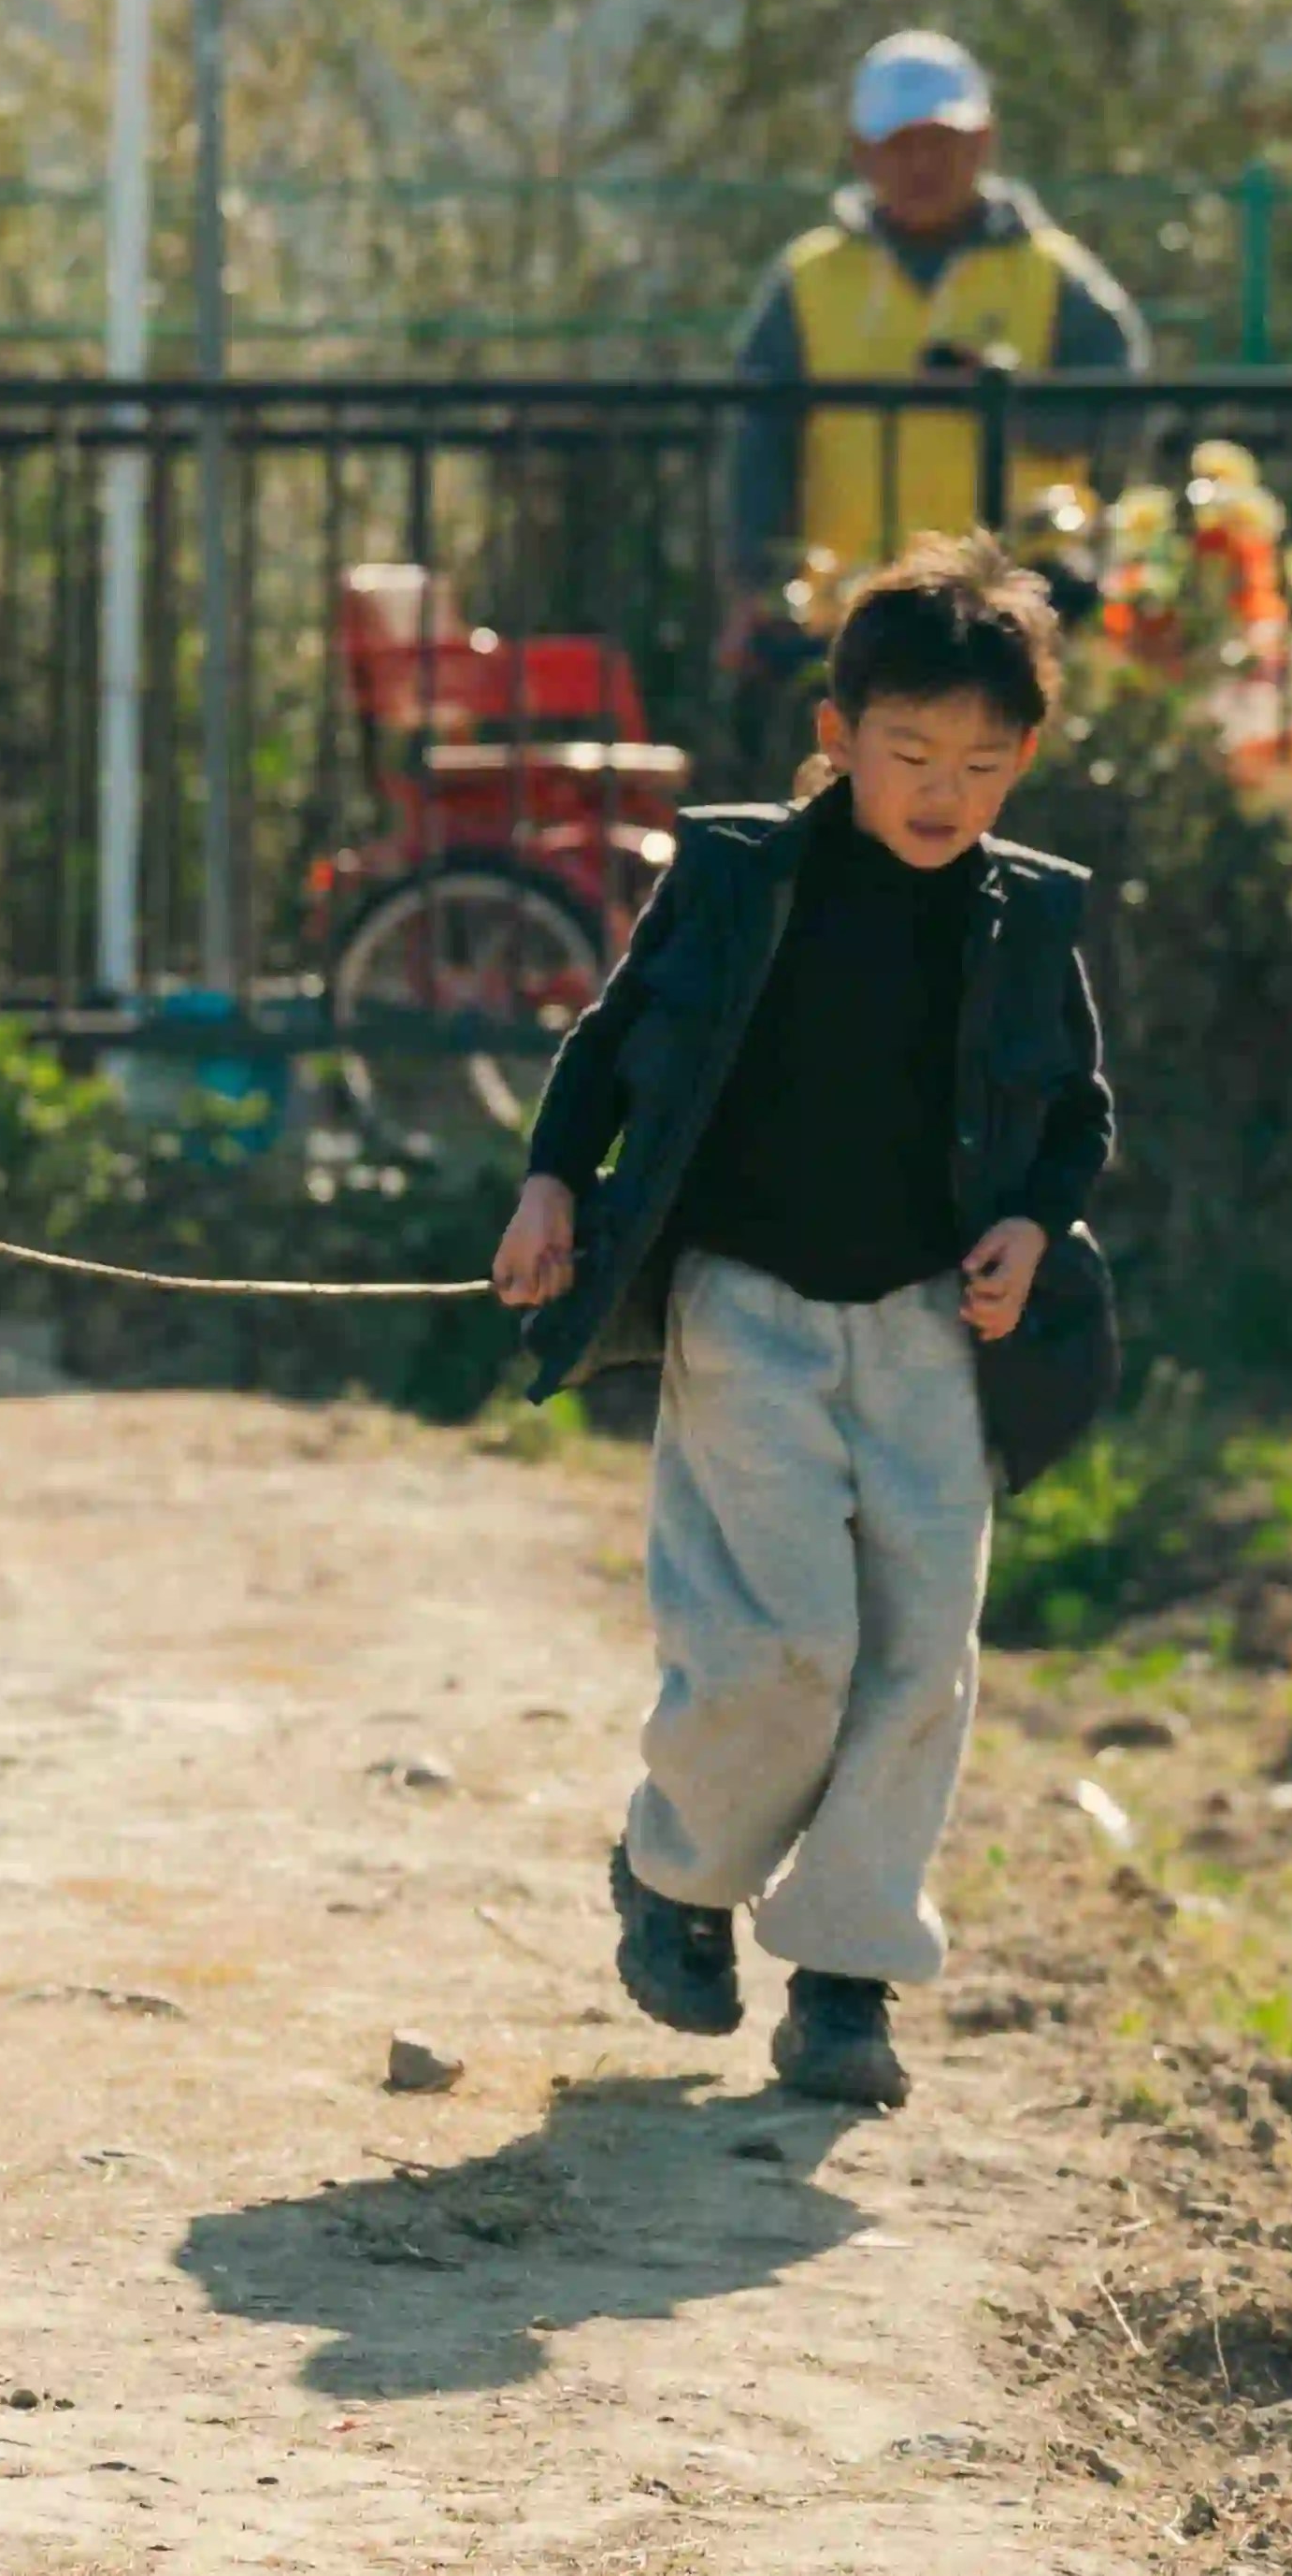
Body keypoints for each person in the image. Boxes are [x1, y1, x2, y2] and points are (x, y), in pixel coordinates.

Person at [491, 536, 1114, 2110]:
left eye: (980, 763)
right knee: (777, 1644)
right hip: (747, 1313)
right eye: (908, 752)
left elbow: (1074, 1113)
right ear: (835, 735)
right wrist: (551, 1183)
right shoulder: (736, 877)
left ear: (1023, 758)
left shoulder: (1026, 916)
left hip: (927, 1330)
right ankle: (677, 1873)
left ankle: (844, 1977)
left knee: (917, 1655)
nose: (941, 791)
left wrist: (1032, 1224)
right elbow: (609, 1040)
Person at [720, 33, 1151, 751]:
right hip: (850, 620)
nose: (921, 164)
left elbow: (1117, 417)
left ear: (982, 142)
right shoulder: (807, 279)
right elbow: (758, 445)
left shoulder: (1053, 274)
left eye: (940, 143)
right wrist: (751, 589)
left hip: (1018, 618)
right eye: (900, 145)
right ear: (861, 152)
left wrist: (1007, 408)